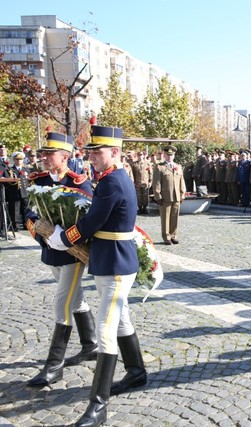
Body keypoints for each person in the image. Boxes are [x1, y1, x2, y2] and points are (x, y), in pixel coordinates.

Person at [47, 125, 147, 427]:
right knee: (122, 318)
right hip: (110, 259)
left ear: (114, 152)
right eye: (90, 152)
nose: (92, 157)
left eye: (97, 152)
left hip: (115, 264)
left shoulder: (114, 181)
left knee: (106, 328)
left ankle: (98, 406)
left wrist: (64, 239)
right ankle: (136, 372)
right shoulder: (110, 178)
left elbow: (93, 221)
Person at [24, 132, 98, 388]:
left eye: (49, 154)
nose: (43, 157)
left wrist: (65, 237)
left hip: (72, 254)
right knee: (75, 300)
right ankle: (90, 345)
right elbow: (29, 212)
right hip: (50, 249)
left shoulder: (79, 181)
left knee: (62, 304)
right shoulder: (39, 179)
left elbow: (87, 215)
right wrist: (44, 234)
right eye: (42, 153)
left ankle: (54, 366)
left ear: (64, 157)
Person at [152, 145, 187, 245]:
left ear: (174, 155)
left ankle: (174, 235)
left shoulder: (178, 167)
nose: (169, 157)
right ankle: (166, 236)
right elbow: (156, 183)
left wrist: (182, 194)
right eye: (167, 155)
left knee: (175, 217)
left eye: (171, 155)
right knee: (165, 217)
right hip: (165, 197)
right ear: (164, 155)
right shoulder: (159, 167)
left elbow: (182, 181)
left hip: (176, 196)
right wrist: (158, 196)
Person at [5, 152, 29, 230]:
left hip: (25, 192)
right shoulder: (10, 169)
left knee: (25, 209)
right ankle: (15, 226)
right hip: (15, 192)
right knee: (15, 210)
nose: (19, 161)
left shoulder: (27, 169)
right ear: (14, 160)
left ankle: (27, 225)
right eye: (17, 159)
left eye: (20, 159)